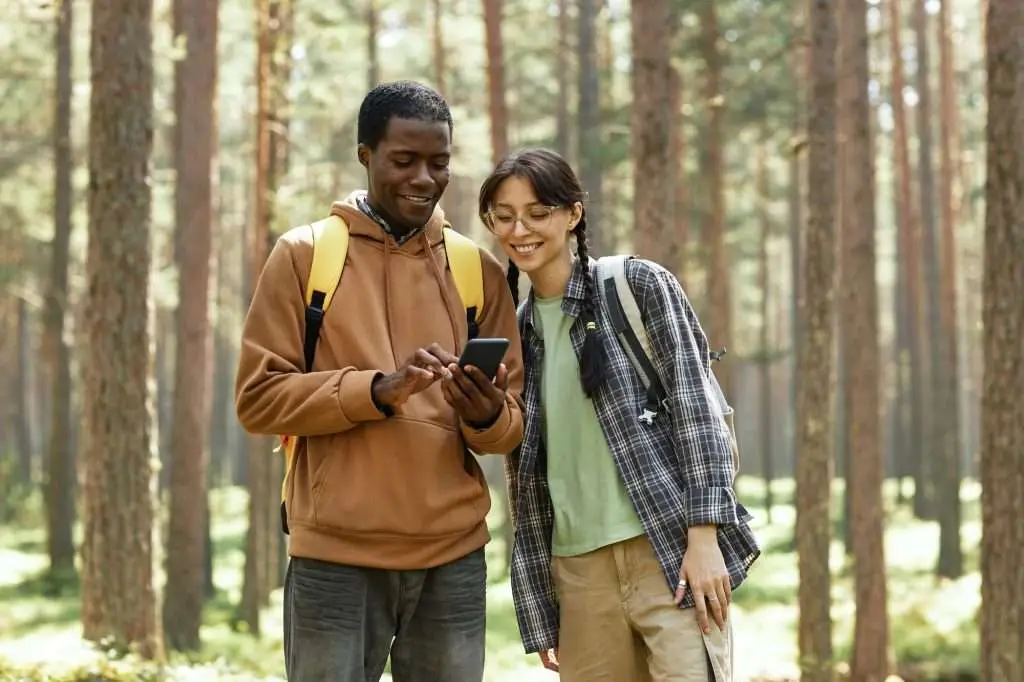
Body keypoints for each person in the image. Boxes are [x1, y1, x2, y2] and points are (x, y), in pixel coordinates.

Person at [235, 80, 525, 682]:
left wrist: (485, 413)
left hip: (454, 559)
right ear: (365, 154)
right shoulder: (303, 257)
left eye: (438, 162)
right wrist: (373, 390)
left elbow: (509, 431)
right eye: (403, 160)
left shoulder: (479, 271)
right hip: (335, 561)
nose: (423, 177)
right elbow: (258, 399)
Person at [479, 148, 760, 681]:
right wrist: (543, 605)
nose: (520, 229)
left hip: (667, 553)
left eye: (538, 212)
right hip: (578, 577)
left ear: (573, 215)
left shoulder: (637, 286)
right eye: (504, 215)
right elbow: (529, 484)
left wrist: (704, 540)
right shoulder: (516, 335)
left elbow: (696, 408)